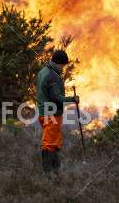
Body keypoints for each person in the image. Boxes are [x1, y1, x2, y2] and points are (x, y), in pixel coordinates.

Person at [36, 49, 79, 178]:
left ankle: (56, 172)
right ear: (58, 63)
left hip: (44, 113)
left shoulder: (43, 71)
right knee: (49, 144)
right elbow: (56, 97)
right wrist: (72, 99)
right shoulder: (52, 76)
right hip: (52, 115)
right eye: (63, 65)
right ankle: (48, 175)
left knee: (54, 142)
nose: (63, 68)